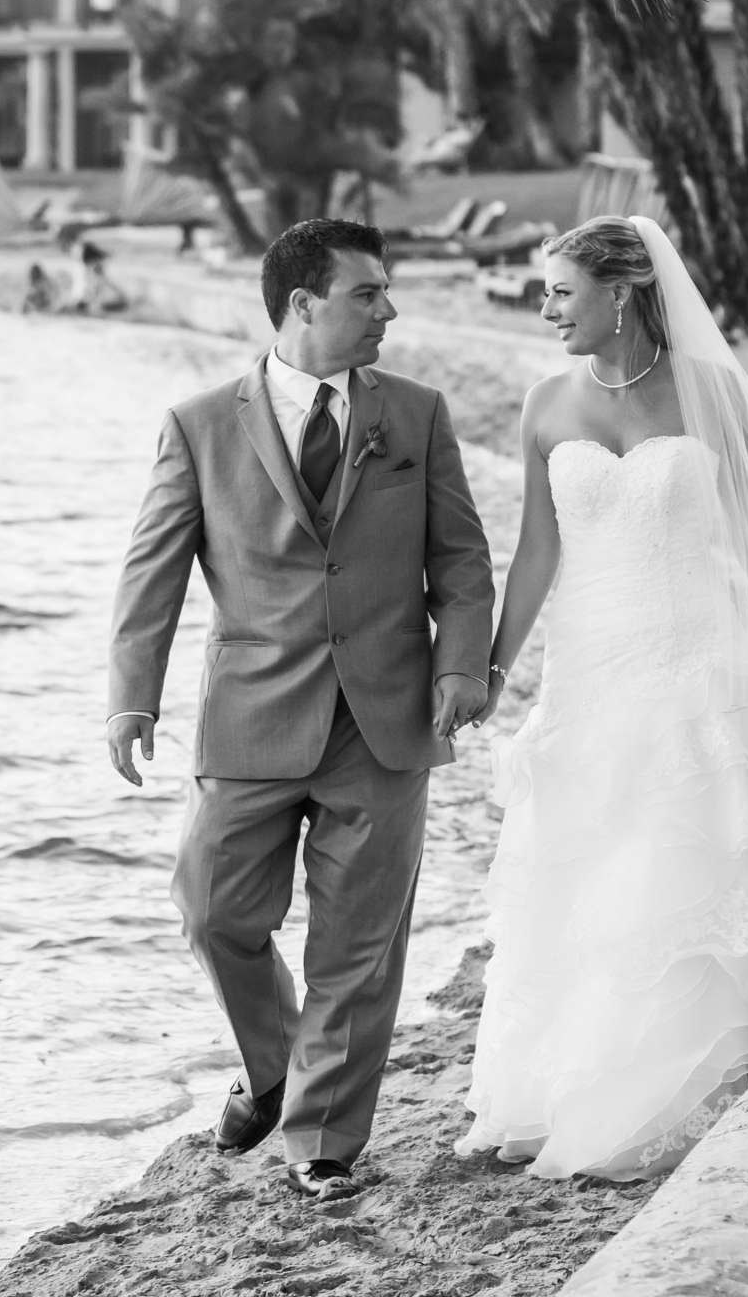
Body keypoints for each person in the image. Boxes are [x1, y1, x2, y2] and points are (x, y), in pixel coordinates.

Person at [455, 215, 748, 1182]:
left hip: (692, 666)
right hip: (590, 667)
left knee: (684, 858)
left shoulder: (709, 392)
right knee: (595, 873)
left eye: (562, 290)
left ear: (623, 290)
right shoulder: (545, 406)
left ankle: (703, 1057)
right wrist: (492, 675)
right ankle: (584, 1077)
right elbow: (536, 554)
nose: (546, 308)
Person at [105, 219, 495, 1202]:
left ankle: (322, 1141)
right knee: (211, 909)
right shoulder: (200, 423)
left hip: (385, 719)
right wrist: (130, 699)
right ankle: (277, 1066)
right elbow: (152, 572)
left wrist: (460, 669)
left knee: (358, 945)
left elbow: (458, 559)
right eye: (370, 293)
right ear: (303, 305)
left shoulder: (415, 414)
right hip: (252, 716)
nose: (389, 311)